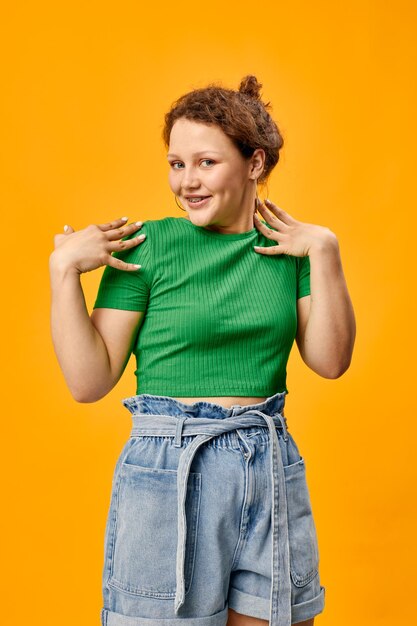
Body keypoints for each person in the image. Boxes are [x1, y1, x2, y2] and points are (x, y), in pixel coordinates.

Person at [49, 75, 356, 626]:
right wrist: (63, 271)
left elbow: (330, 362)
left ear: (255, 163)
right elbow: (88, 381)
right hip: (170, 466)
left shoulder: (292, 248)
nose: (186, 181)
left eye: (205, 163)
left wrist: (325, 252)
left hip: (269, 460)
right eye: (176, 163)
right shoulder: (148, 246)